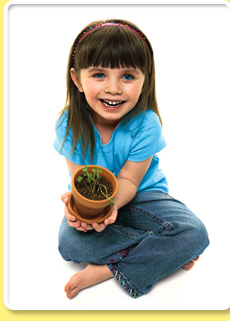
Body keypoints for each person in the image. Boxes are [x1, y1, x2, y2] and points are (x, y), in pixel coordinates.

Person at [53, 19, 209, 299]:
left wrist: (112, 206)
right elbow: (82, 181)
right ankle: (162, 253)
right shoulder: (69, 124)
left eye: (127, 76)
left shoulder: (146, 124)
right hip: (97, 202)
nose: (113, 88)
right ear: (77, 79)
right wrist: (78, 211)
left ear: (144, 79)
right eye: (99, 75)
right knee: (69, 243)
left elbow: (128, 180)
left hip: (142, 196)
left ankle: (109, 268)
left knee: (195, 233)